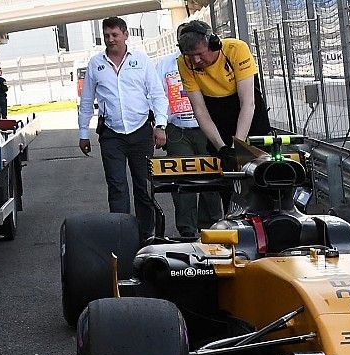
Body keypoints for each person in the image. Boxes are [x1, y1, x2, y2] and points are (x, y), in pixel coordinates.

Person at [78, 16, 168, 242]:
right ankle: (122, 236)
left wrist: (160, 125)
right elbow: (87, 100)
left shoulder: (141, 60)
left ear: (126, 35)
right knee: (117, 187)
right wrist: (83, 133)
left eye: (115, 35)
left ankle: (147, 235)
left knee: (144, 187)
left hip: (140, 133)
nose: (110, 40)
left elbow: (158, 94)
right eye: (106, 35)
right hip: (111, 134)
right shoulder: (95, 64)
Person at [176, 21, 271, 176]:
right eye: (191, 56)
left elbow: (248, 103)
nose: (196, 61)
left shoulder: (236, 49)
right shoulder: (184, 63)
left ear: (214, 44)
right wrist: (222, 148)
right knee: (224, 177)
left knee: (260, 175)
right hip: (217, 114)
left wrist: (237, 147)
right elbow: (199, 110)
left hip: (248, 114)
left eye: (200, 54)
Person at [156, 23, 223, 238]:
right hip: (178, 129)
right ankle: (187, 229)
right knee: (183, 178)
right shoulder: (165, 64)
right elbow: (158, 96)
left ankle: (211, 225)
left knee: (210, 177)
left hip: (206, 128)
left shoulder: (206, 60)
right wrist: (161, 125)